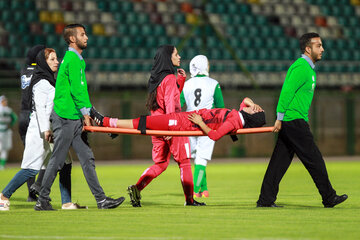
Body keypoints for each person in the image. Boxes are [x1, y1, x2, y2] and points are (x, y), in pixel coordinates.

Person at [34, 24, 125, 211]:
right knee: (58, 160)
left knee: (87, 158)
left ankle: (101, 201)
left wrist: (88, 113)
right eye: (83, 34)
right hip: (66, 116)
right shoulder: (72, 60)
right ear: (72, 39)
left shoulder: (76, 59)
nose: (87, 37)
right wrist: (87, 113)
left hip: (73, 116)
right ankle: (42, 200)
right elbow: (77, 91)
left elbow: (81, 91)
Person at [256, 33, 348, 208]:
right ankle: (329, 197)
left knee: (279, 162)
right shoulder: (301, 68)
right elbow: (286, 92)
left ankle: (265, 200)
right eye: (318, 46)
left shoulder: (307, 69)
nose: (322, 49)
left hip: (293, 121)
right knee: (314, 159)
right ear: (308, 48)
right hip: (294, 121)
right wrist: (279, 118)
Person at [0, 48, 83, 211]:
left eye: (56, 59)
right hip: (40, 132)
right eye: (52, 59)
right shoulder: (41, 83)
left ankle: (66, 202)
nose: (56, 62)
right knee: (31, 169)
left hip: (52, 130)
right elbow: (39, 108)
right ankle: (3, 196)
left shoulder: (50, 81)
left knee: (66, 163)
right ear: (44, 62)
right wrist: (46, 130)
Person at [123, 45, 203, 207]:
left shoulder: (155, 79)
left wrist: (180, 81)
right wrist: (171, 129)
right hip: (171, 124)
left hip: (155, 125)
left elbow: (166, 100)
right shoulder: (169, 78)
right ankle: (190, 200)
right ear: (168, 57)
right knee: (185, 162)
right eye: (176, 54)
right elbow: (170, 105)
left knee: (161, 164)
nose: (179, 57)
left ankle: (137, 187)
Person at [91, 97, 264, 141]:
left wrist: (199, 122)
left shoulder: (234, 121)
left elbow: (215, 136)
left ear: (251, 115)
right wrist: (254, 104)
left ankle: (105, 122)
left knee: (146, 122)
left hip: (184, 123)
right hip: (183, 120)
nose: (250, 106)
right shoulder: (240, 115)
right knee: (147, 124)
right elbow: (245, 100)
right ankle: (114, 129)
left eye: (254, 109)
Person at [180, 55, 225, 198]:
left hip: (189, 123)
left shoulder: (186, 84)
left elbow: (178, 105)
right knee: (202, 158)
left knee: (197, 158)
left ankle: (203, 189)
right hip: (207, 124)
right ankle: (194, 191)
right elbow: (221, 107)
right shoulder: (214, 83)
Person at [19, 45, 48, 202]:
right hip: (33, 115)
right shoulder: (40, 72)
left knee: (28, 156)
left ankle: (31, 194)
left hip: (22, 114)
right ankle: (39, 188)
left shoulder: (24, 71)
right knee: (47, 154)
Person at [0, 95, 17, 170]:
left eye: (5, 101)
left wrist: (10, 125)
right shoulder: (8, 110)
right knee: (2, 148)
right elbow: (14, 118)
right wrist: (11, 124)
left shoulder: (8, 110)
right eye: (3, 101)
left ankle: (2, 165)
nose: (5, 102)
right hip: (4, 130)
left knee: (5, 148)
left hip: (6, 130)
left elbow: (15, 118)